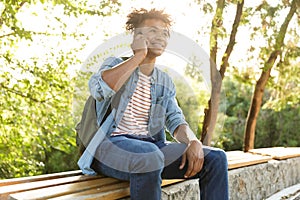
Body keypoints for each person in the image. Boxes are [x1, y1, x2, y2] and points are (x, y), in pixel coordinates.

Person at [78, 8, 229, 200]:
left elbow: (175, 120)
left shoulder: (164, 81)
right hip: (109, 148)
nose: (160, 37)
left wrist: (192, 140)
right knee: (149, 155)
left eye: (164, 33)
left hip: (151, 148)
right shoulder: (114, 64)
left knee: (216, 158)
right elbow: (99, 89)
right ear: (137, 36)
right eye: (153, 31)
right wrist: (138, 56)